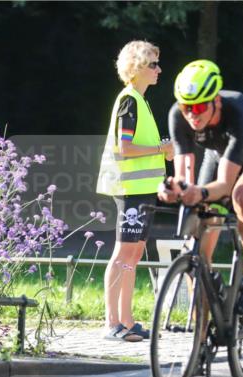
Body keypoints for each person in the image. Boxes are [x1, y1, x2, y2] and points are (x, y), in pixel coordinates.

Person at [158, 60, 243, 315]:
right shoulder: (177, 115)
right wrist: (174, 189)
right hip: (219, 156)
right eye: (186, 107)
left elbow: (226, 185)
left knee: (241, 196)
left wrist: (201, 193)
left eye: (200, 106)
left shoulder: (239, 110)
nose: (193, 114)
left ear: (216, 100)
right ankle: (202, 337)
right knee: (196, 245)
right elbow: (184, 176)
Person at [96, 40, 174, 342]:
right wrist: (159, 148)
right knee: (123, 253)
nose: (159, 69)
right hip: (130, 190)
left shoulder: (140, 101)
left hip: (144, 190)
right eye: (153, 64)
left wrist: (163, 152)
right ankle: (111, 322)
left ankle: (126, 320)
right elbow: (124, 148)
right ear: (138, 68)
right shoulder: (129, 100)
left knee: (135, 252)